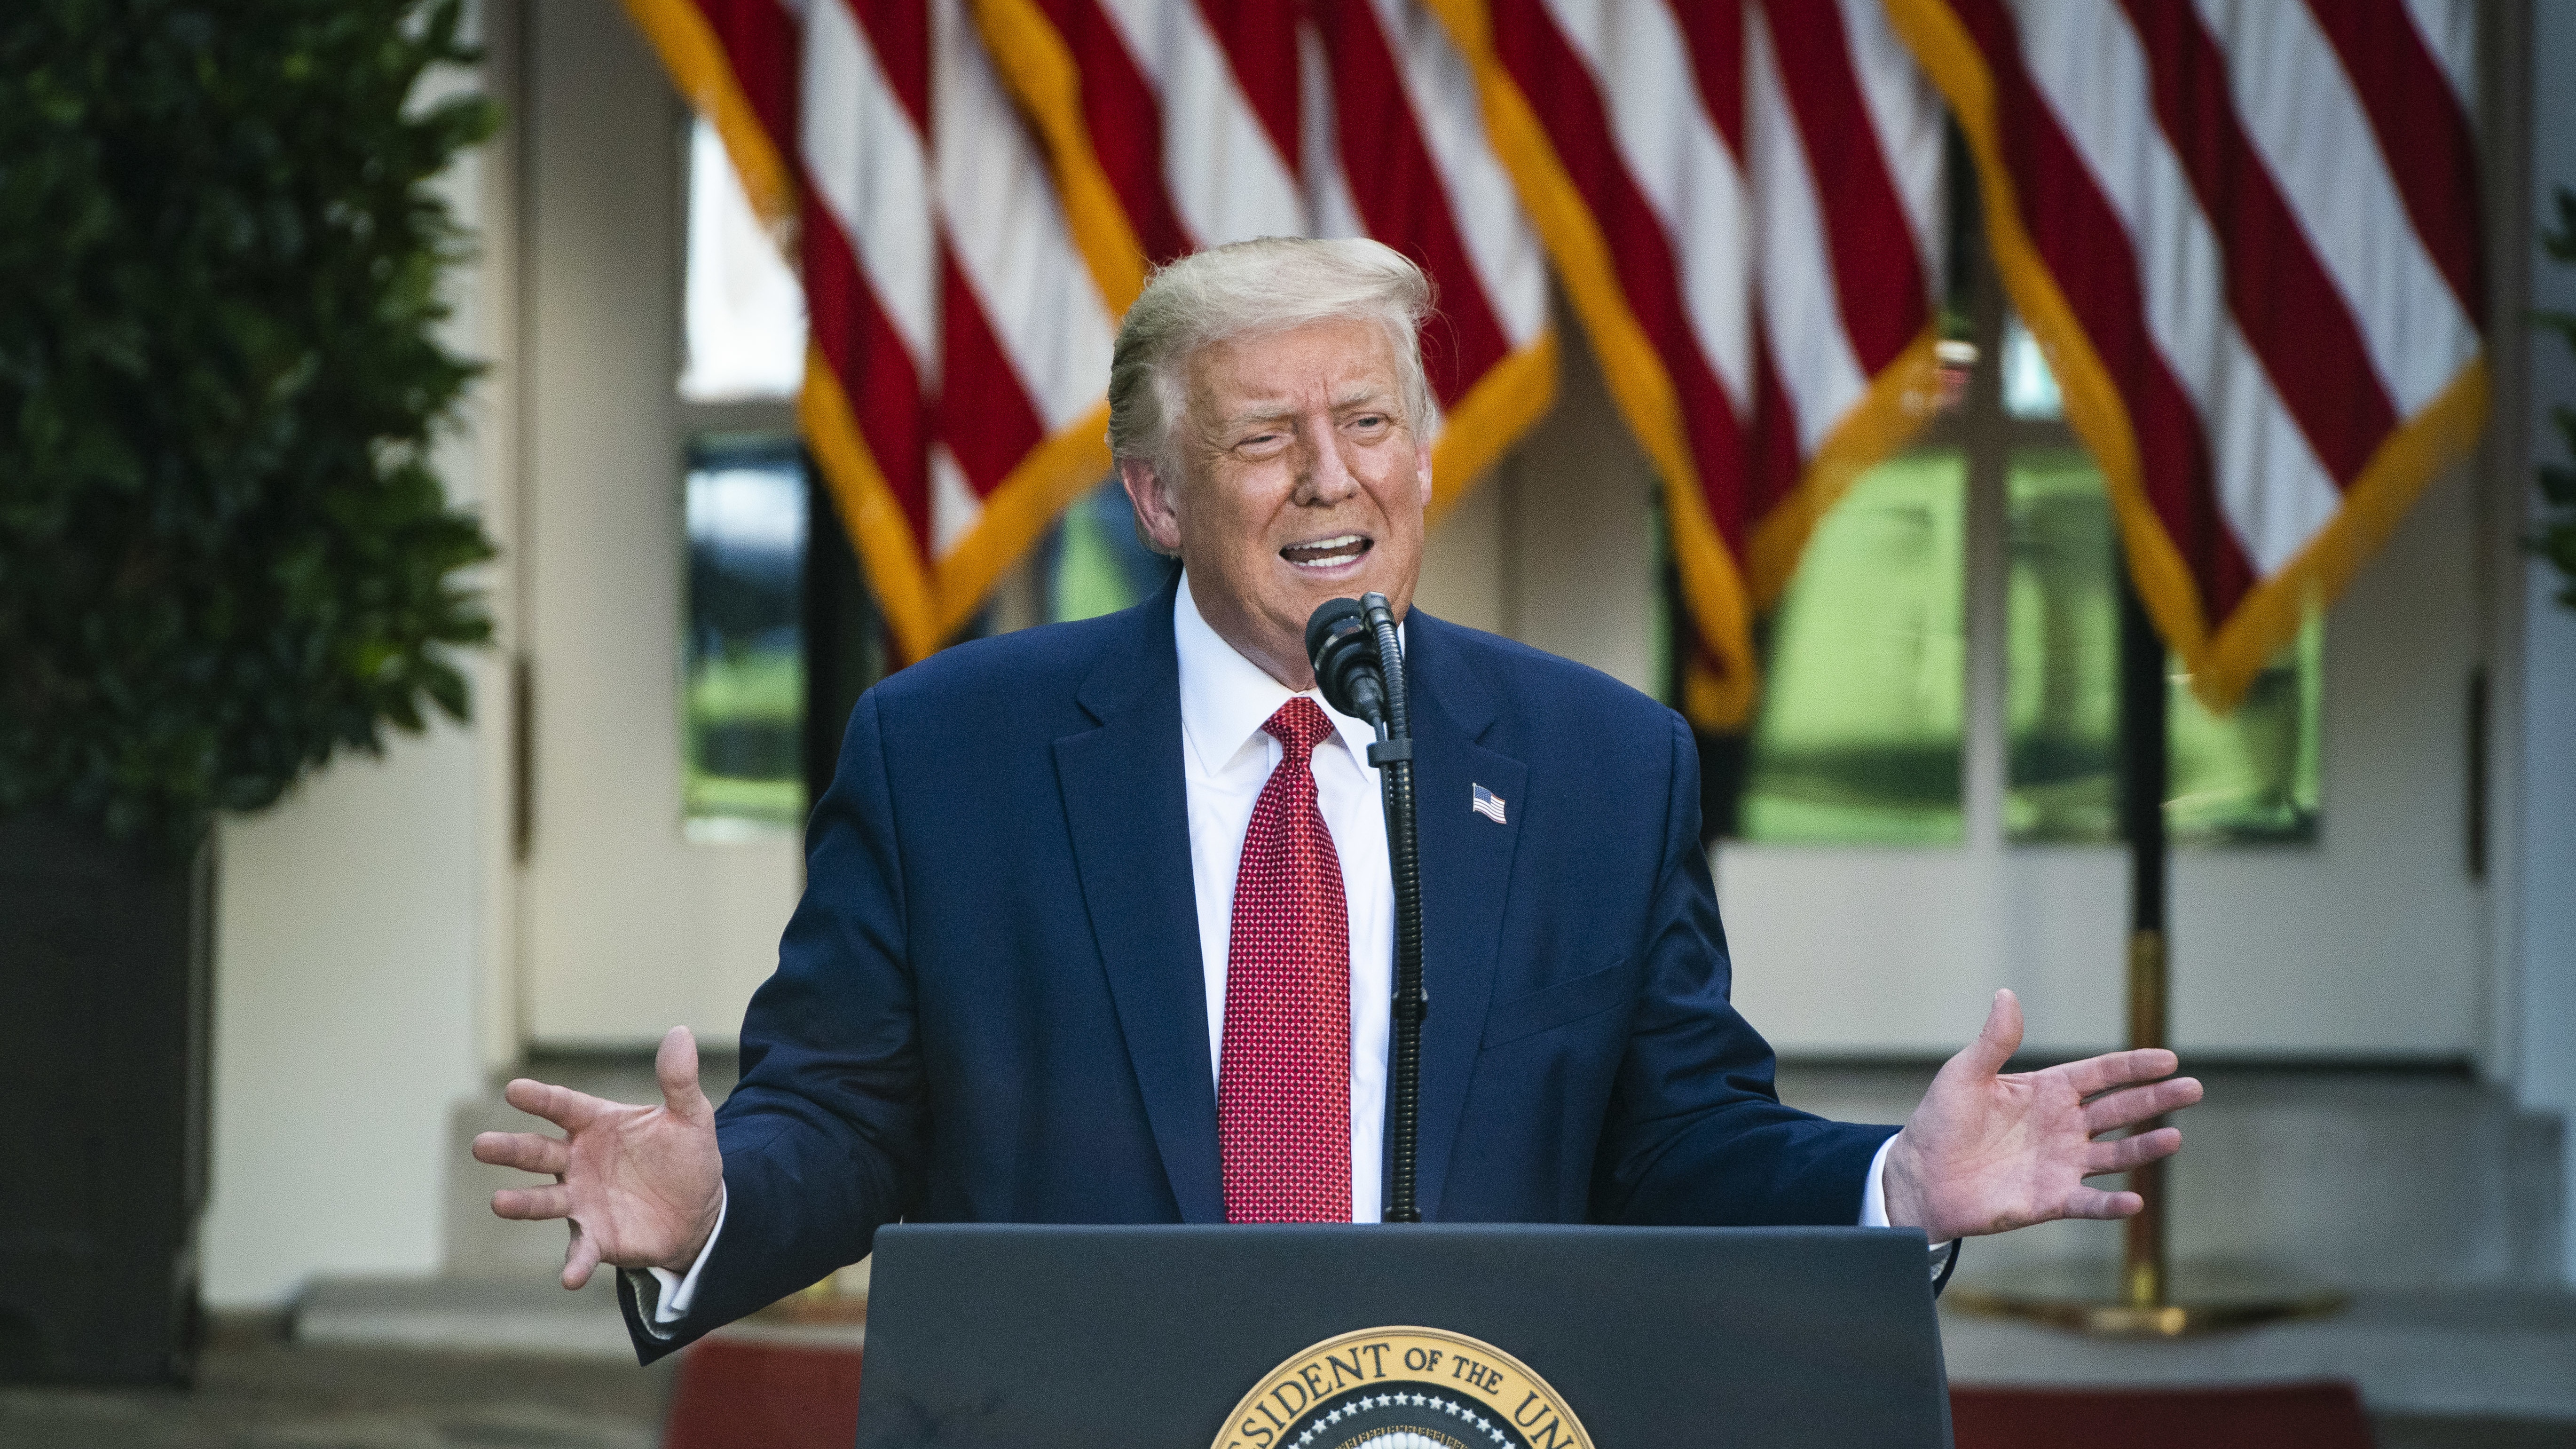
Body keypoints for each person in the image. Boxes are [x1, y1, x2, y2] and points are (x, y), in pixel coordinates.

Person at [472, 238, 2201, 1362]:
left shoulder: (1602, 761)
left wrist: (1897, 1180)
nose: (1331, 479)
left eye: (1369, 420)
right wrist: (711, 1209)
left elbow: (1674, 1141)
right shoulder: (951, 754)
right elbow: (843, 1122)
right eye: (1261, 439)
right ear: (1154, 497)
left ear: (1428, 453)